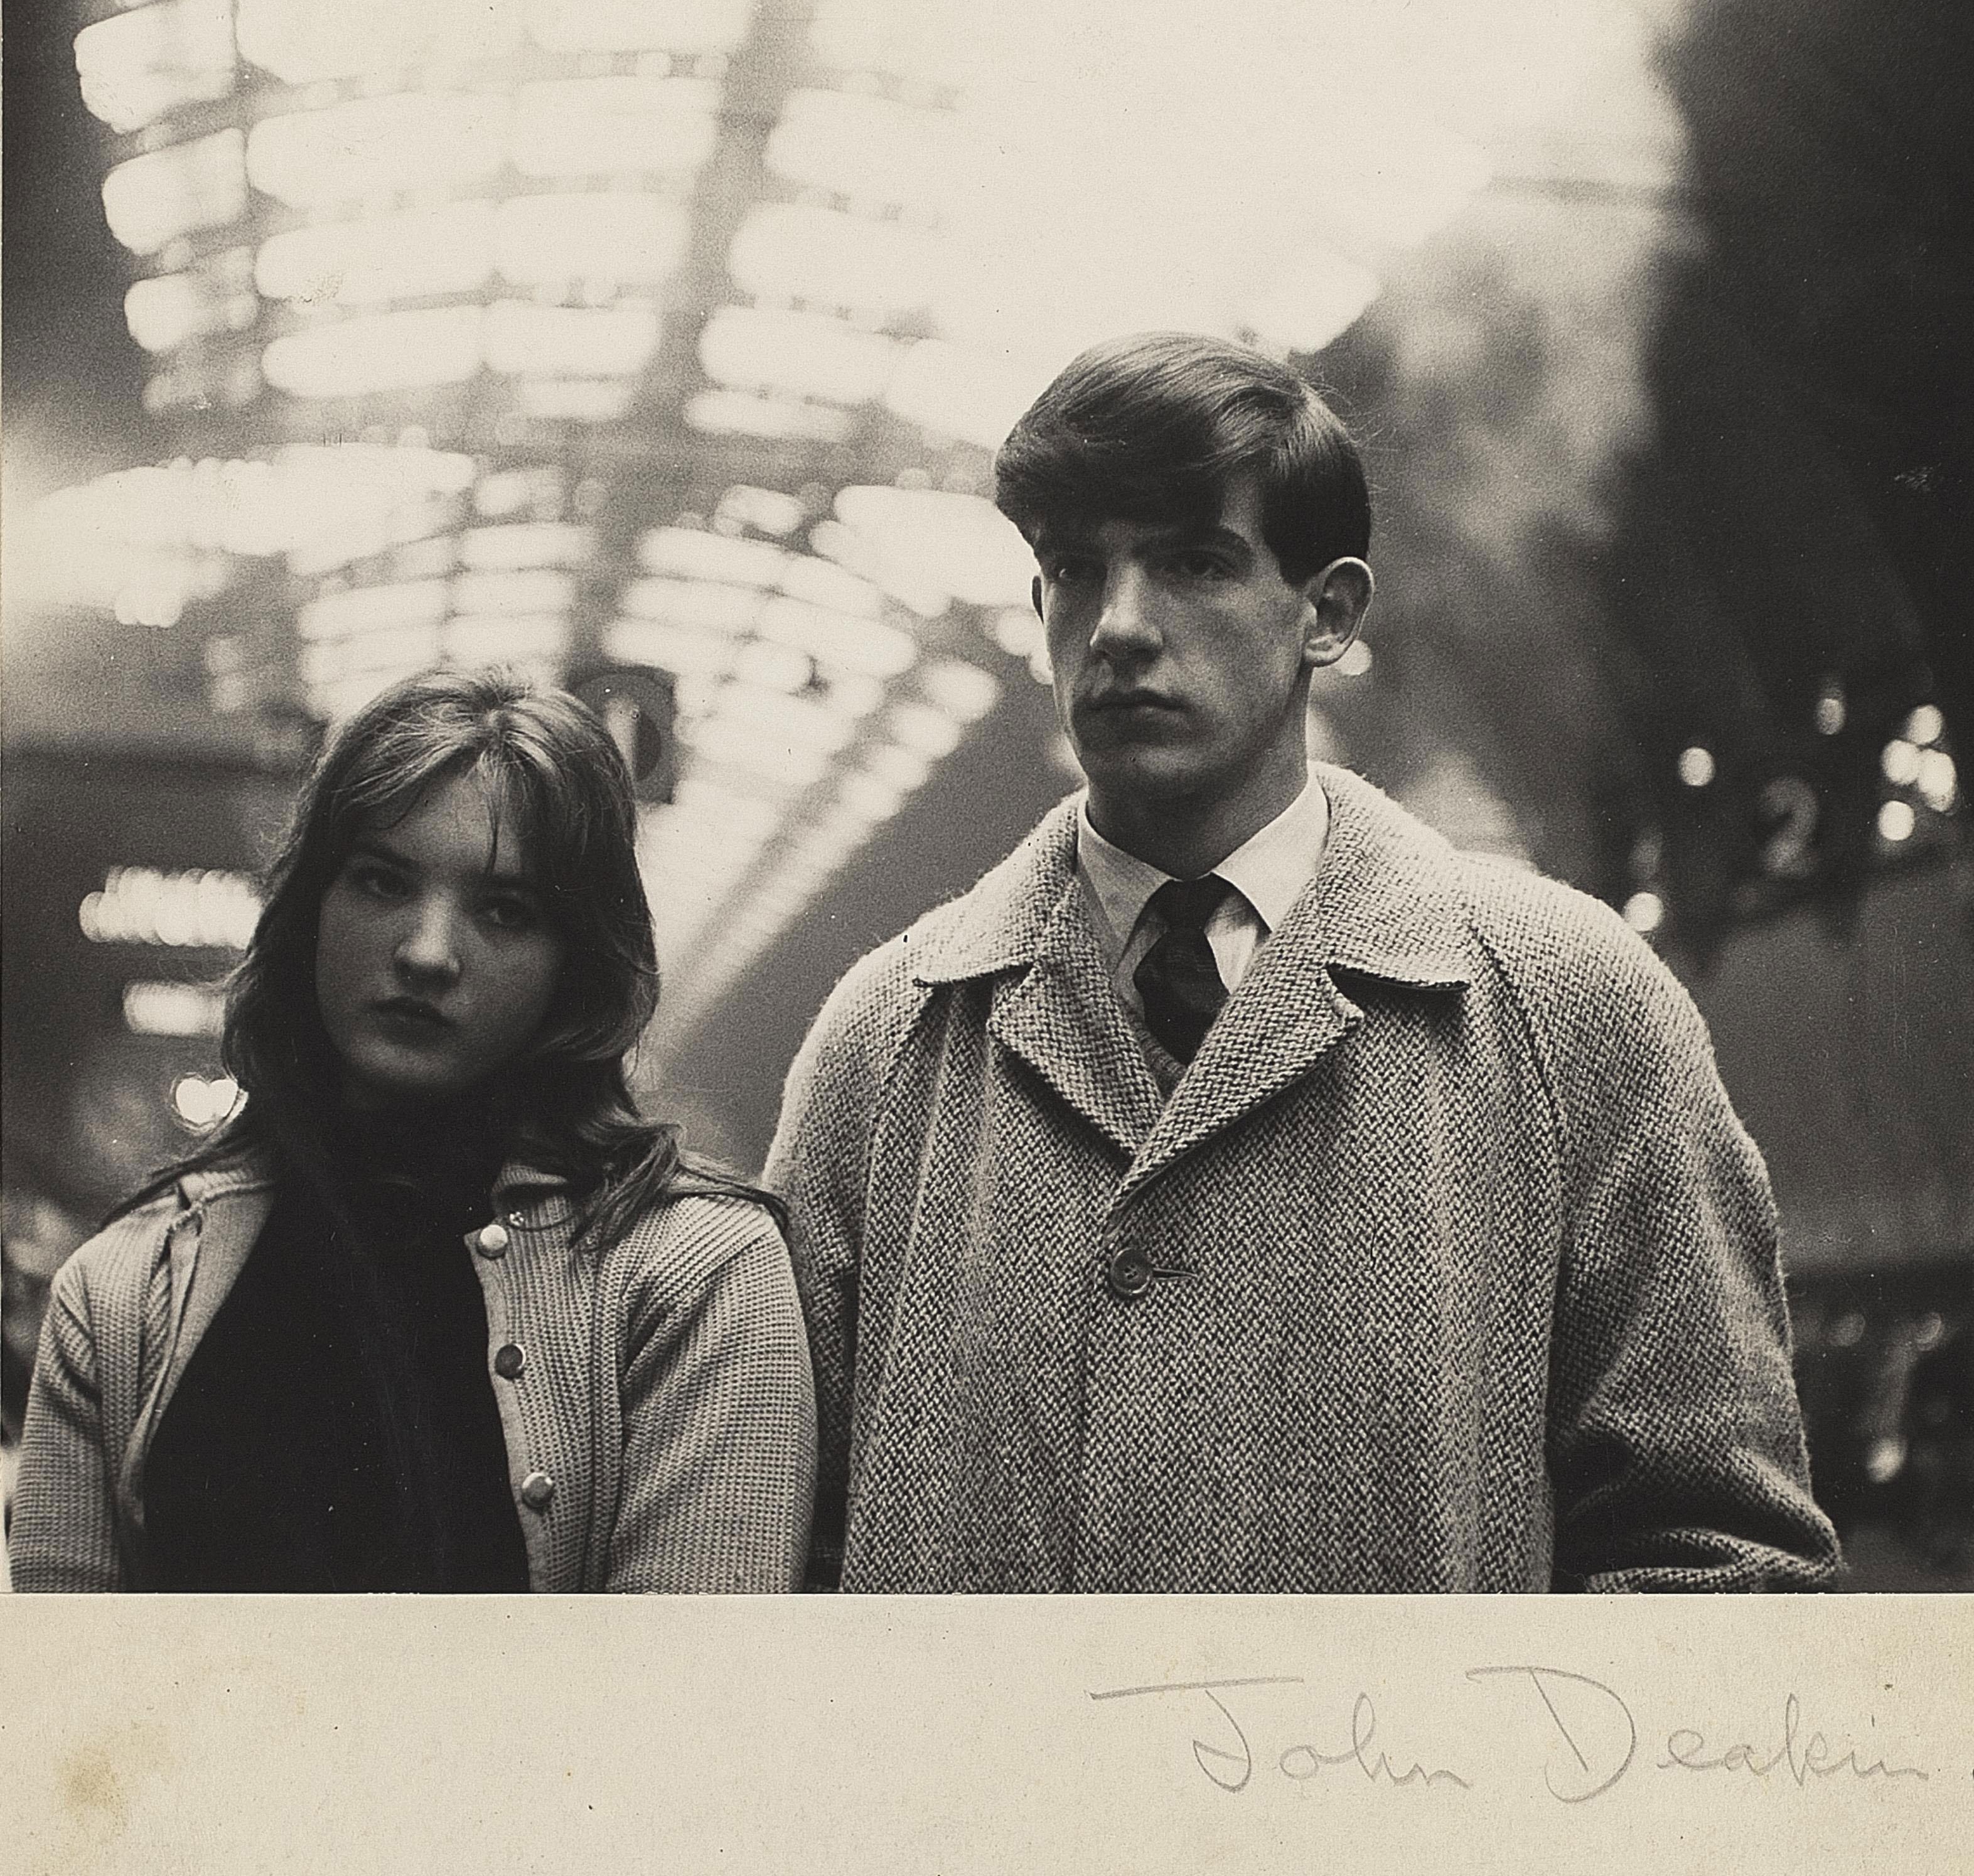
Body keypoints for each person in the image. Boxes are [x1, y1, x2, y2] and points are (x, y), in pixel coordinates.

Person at [766, 330, 1840, 1594]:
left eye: (1192, 562)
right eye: (1073, 570)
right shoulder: (880, 1048)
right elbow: (774, 1545)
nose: (1116, 626)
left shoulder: (1573, 1014)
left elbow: (1719, 1558)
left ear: (1325, 612)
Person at [12, 668, 815, 1592]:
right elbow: (67, 1708)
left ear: (576, 964)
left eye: (505, 910)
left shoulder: (696, 1277)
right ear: (311, 910)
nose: (428, 953)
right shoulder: (123, 1294)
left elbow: (680, 1710)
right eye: (382, 882)